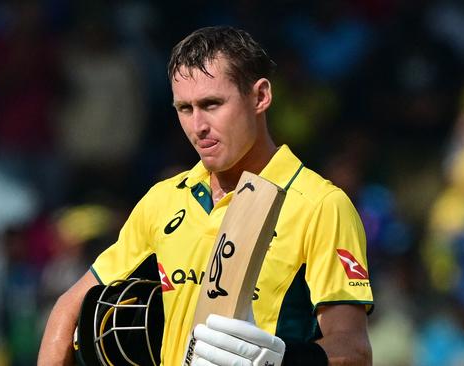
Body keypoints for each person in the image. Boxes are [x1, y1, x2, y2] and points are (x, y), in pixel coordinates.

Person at [39, 25, 373, 366]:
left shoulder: (321, 205)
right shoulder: (163, 200)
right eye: (185, 108)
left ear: (260, 97)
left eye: (212, 104)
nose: (198, 126)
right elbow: (69, 308)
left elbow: (354, 349)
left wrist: (280, 361)